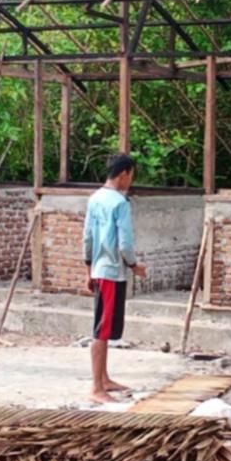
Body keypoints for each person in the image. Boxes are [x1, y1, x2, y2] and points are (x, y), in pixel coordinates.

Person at [83, 154, 147, 403]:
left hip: (99, 269)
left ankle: (105, 378)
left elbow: (87, 237)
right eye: (131, 176)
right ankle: (97, 388)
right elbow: (125, 243)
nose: (130, 181)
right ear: (124, 174)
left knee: (105, 326)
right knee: (101, 330)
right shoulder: (120, 203)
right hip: (111, 271)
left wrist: (87, 270)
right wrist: (134, 265)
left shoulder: (95, 199)